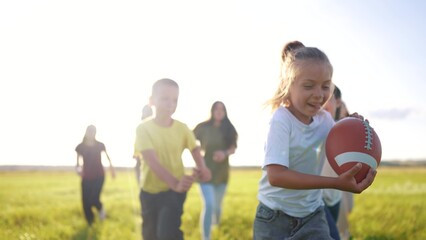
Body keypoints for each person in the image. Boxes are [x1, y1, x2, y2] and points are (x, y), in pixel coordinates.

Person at [253, 41, 376, 240]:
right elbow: (276, 176)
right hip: (274, 218)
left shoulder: (325, 120)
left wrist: (352, 127)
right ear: (288, 85)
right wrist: (334, 183)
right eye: (309, 86)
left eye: (325, 86)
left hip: (313, 215)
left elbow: (341, 143)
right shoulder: (281, 120)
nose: (319, 95)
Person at [134, 78, 212, 240]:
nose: (170, 103)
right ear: (151, 101)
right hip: (149, 192)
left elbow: (195, 149)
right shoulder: (143, 128)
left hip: (174, 192)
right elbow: (151, 161)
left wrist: (202, 168)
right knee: (150, 235)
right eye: (165, 98)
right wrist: (174, 183)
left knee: (167, 233)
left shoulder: (182, 128)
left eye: (175, 100)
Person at [193, 101, 238, 240]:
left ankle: (216, 225)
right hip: (205, 171)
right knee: (209, 205)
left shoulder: (230, 129)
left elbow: (233, 148)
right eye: (216, 109)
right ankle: (206, 237)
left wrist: (224, 153)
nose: (219, 111)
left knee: (217, 207)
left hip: (222, 173)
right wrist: (197, 155)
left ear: (225, 112)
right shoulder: (203, 127)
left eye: (222, 109)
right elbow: (189, 139)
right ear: (212, 111)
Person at [75, 125, 116, 226]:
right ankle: (90, 222)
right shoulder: (81, 146)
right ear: (86, 132)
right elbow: (77, 162)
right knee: (85, 202)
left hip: (99, 176)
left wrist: (112, 170)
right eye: (89, 132)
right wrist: (78, 170)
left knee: (94, 199)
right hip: (86, 177)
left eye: (93, 132)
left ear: (95, 133)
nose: (91, 134)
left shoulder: (100, 145)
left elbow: (108, 157)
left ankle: (101, 209)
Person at [134, 104, 153, 185]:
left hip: (151, 156)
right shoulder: (140, 126)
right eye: (144, 112)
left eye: (147, 112)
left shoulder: (153, 125)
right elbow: (137, 141)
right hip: (140, 156)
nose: (145, 114)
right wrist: (135, 153)